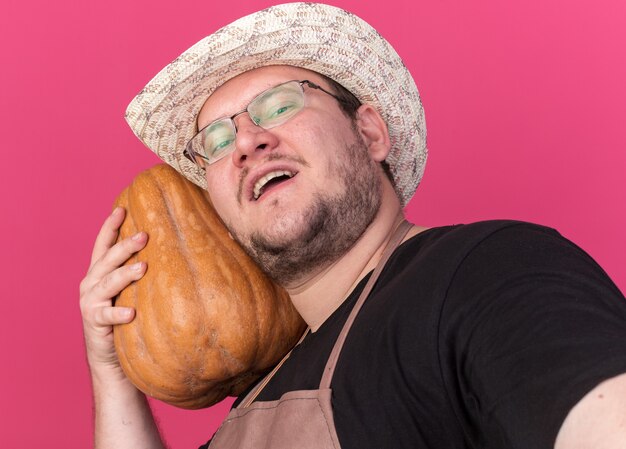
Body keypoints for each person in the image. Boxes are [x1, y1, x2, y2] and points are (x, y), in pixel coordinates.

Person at [79, 3, 626, 448]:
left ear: (369, 134)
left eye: (277, 105)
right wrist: (113, 375)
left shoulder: (485, 274)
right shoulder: (246, 409)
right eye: (217, 142)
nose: (246, 141)